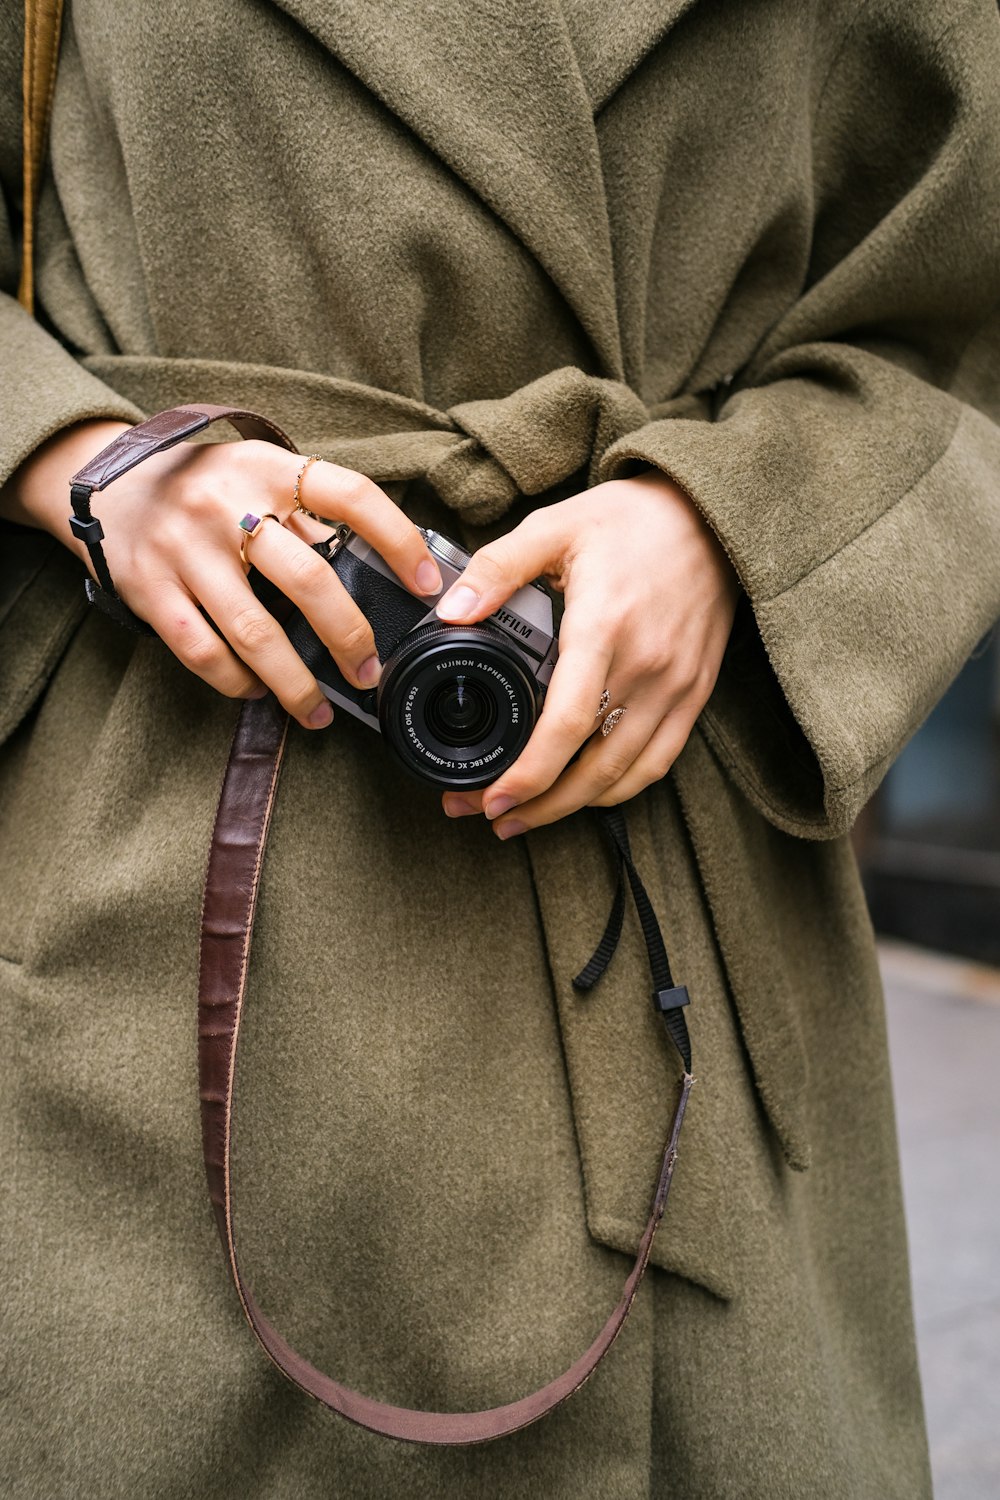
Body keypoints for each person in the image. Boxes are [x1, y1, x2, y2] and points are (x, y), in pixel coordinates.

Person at [1, 1, 998, 1495]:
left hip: (669, 881)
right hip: (151, 855)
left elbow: (962, 313)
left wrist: (737, 524)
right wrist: (77, 457)